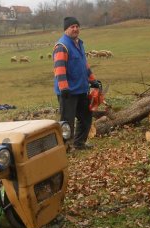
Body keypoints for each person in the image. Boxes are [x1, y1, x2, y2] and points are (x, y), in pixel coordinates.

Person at [53, 16, 101, 151]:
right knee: (67, 122)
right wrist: (64, 88)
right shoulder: (62, 46)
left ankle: (79, 144)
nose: (75, 29)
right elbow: (59, 68)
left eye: (76, 26)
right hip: (68, 92)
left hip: (81, 89)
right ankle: (65, 148)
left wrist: (92, 80)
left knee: (86, 117)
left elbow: (83, 65)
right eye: (72, 27)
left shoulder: (79, 43)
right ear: (66, 30)